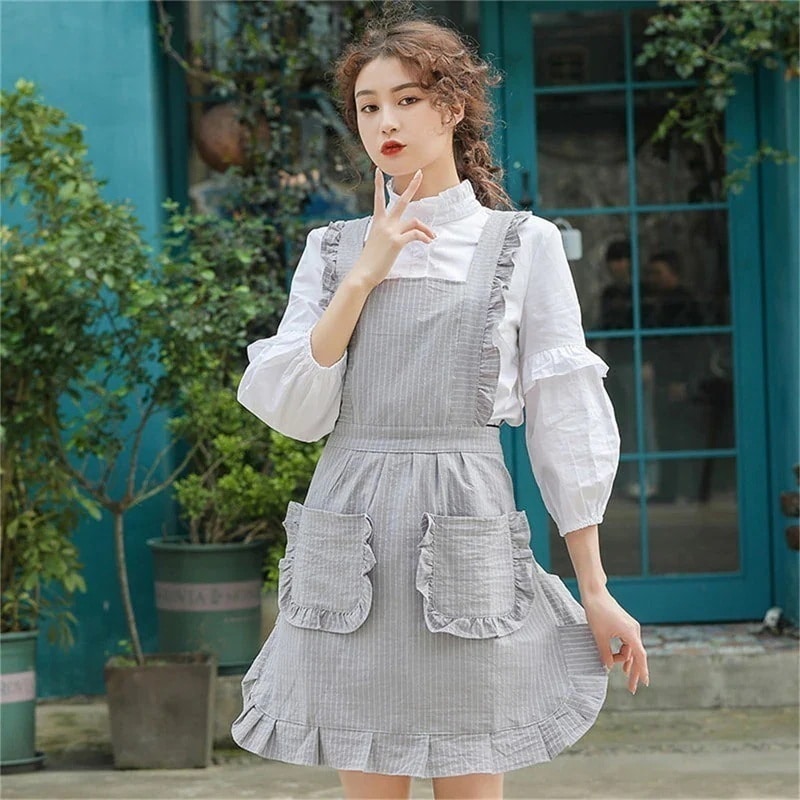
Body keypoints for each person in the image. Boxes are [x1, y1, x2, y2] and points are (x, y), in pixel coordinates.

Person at [231, 11, 649, 800]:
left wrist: (594, 589)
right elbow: (295, 408)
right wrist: (364, 274)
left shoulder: (523, 244)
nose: (384, 122)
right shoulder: (332, 250)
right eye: (368, 106)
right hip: (351, 530)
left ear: (452, 107)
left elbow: (563, 419)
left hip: (462, 522)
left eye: (406, 100)